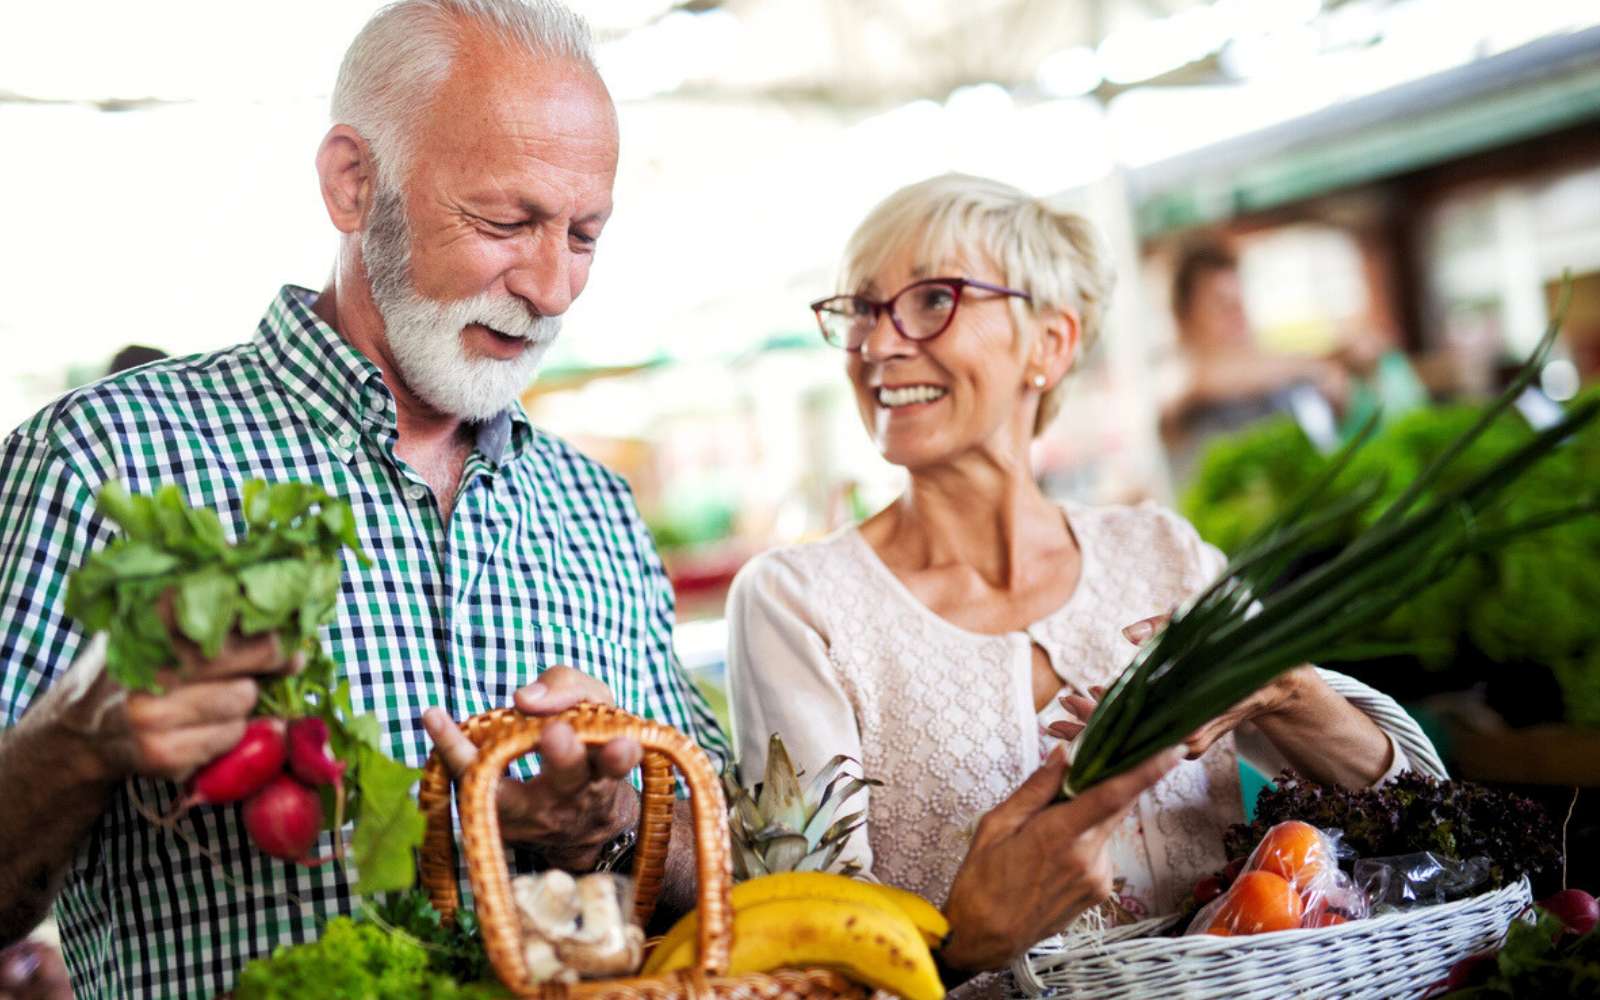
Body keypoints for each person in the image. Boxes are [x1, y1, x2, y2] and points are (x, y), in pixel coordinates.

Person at [0, 2, 725, 997]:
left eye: (585, 235)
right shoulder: (100, 460)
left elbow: (738, 869)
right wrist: (74, 741)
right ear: (353, 182)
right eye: (506, 222)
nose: (553, 287)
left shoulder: (593, 504)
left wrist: (617, 822)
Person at [726, 174, 1444, 974]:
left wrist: (1284, 688)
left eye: (933, 300)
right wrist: (964, 948)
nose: (879, 344)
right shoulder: (799, 602)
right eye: (860, 309)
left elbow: (1422, 819)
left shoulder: (1162, 555)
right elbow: (806, 955)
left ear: (1051, 343)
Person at [1160, 240, 1353, 479]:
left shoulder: (1271, 377)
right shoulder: (1175, 379)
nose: (1238, 317)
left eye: (1241, 304)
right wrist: (1318, 368)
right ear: (1184, 318)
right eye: (1223, 306)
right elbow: (1207, 379)